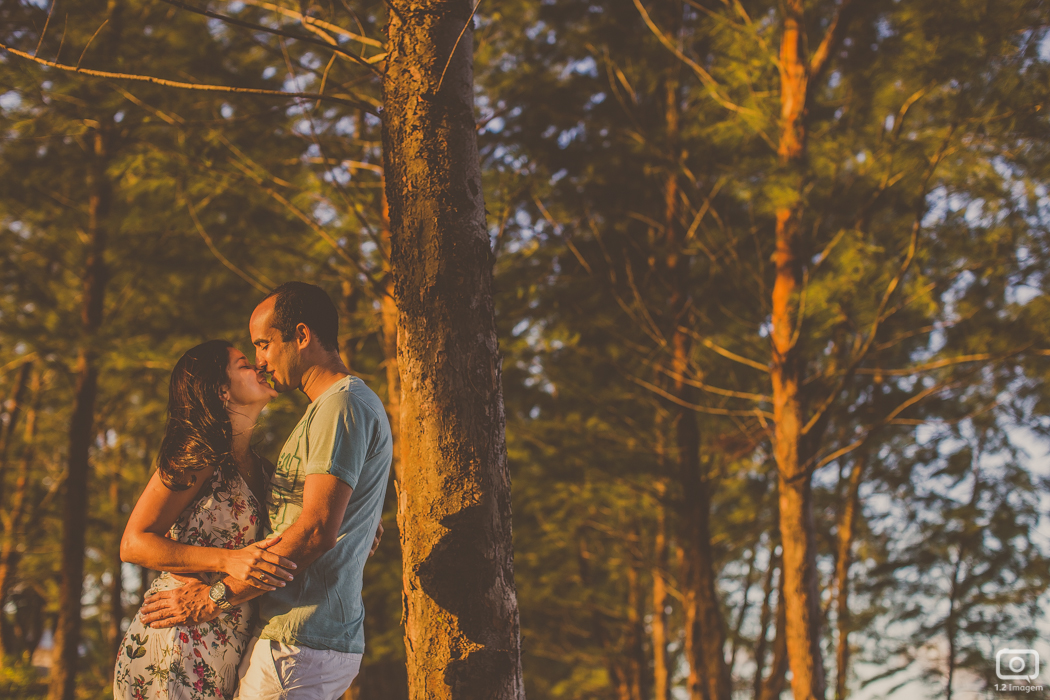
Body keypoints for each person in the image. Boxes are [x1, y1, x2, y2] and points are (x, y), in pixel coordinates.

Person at [139, 282, 393, 700]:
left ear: (302, 335)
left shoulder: (340, 405)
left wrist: (213, 598)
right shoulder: (326, 411)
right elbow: (316, 522)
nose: (260, 361)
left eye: (263, 344)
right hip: (268, 636)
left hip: (298, 638)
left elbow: (314, 532)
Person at [114, 339, 296, 700]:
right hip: (177, 637)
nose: (259, 366)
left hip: (229, 642)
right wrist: (227, 560)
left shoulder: (265, 470)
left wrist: (357, 528)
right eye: (244, 364)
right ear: (221, 390)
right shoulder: (196, 456)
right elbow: (133, 543)